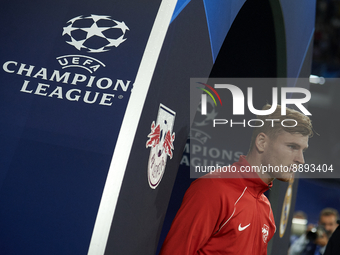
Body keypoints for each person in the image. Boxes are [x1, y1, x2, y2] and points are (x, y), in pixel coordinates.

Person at [159, 104, 313, 255]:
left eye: (303, 150)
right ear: (262, 142)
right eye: (292, 146)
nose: (301, 159)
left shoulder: (266, 209)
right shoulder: (213, 188)